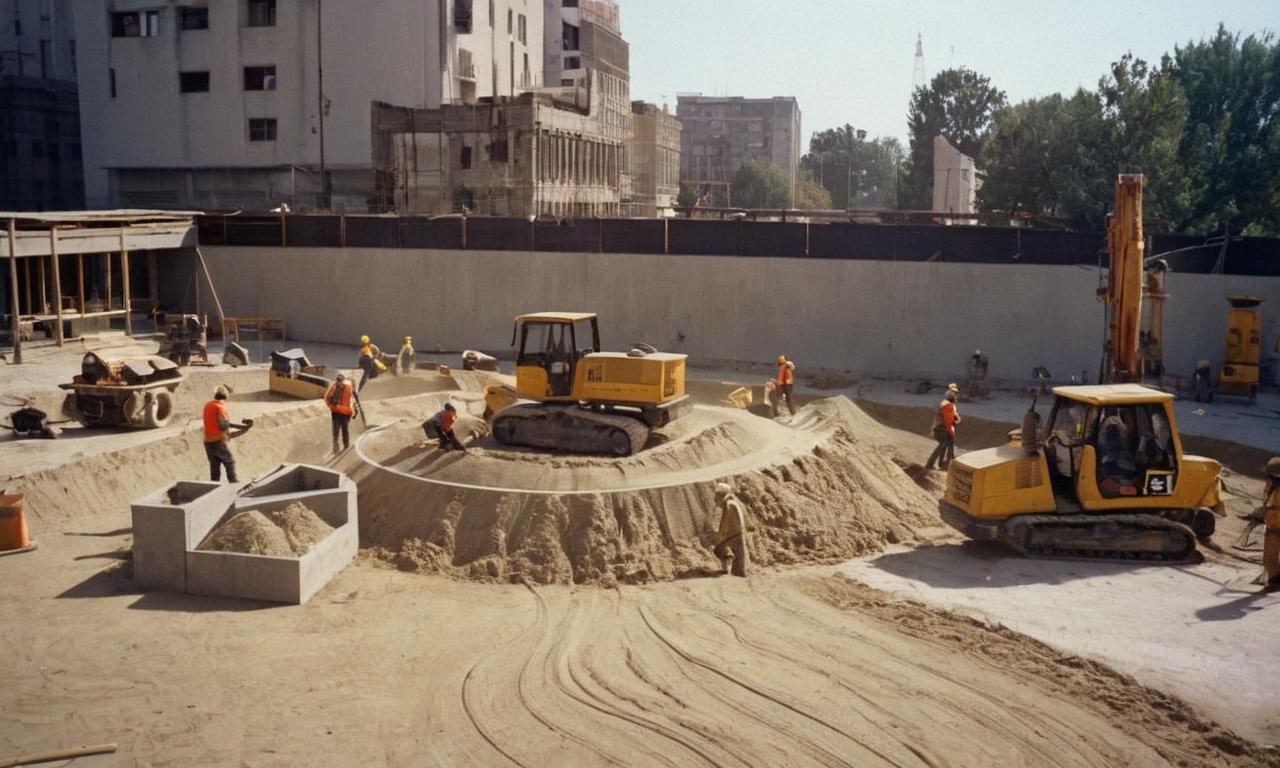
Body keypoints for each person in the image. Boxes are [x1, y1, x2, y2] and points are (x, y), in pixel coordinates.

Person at [202, 386, 239, 482]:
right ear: (226, 396)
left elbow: (214, 421)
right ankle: (234, 484)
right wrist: (232, 426)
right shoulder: (220, 407)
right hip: (218, 441)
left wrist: (234, 425)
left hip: (208, 441)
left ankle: (214, 488)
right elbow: (223, 425)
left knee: (214, 467)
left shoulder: (208, 405)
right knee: (229, 462)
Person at [712, 482, 749, 577]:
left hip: (733, 533)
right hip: (737, 531)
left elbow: (724, 521)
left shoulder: (728, 505)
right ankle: (736, 570)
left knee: (720, 549)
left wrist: (721, 534)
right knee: (739, 553)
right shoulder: (733, 503)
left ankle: (736, 571)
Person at [925, 383, 961, 470]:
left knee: (945, 444)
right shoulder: (948, 405)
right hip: (942, 428)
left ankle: (942, 464)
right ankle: (931, 463)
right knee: (944, 444)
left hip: (940, 428)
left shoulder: (945, 404)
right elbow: (948, 420)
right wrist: (951, 431)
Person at [325, 372, 356, 453]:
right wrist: (353, 412)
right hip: (343, 413)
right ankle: (345, 446)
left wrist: (331, 406)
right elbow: (352, 401)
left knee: (337, 431)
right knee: (343, 430)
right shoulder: (348, 388)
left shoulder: (334, 387)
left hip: (338, 412)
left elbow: (327, 398)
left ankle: (337, 448)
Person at [1263, 457, 1280, 587]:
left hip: (1273, 522)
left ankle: (1274, 577)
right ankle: (1273, 577)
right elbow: (1266, 501)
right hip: (1273, 523)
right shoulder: (1272, 486)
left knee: (1271, 552)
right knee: (1270, 553)